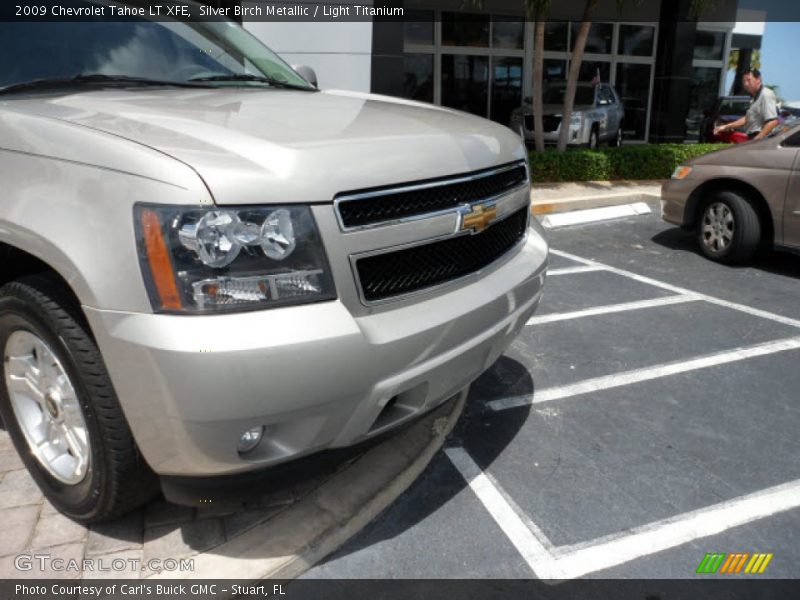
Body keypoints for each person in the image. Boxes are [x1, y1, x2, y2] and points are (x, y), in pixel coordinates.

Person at [714, 68, 779, 141]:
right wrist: (726, 126)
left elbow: (772, 121)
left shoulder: (766, 95)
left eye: (749, 80)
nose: (746, 84)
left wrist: (756, 140)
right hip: (752, 137)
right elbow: (747, 118)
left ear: (758, 79)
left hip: (760, 140)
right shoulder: (754, 96)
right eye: (744, 81)